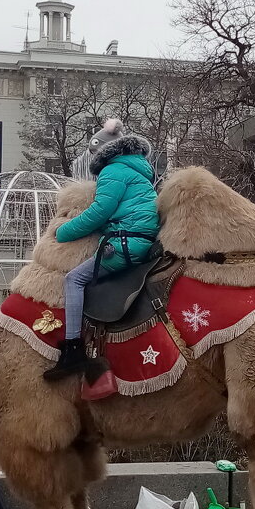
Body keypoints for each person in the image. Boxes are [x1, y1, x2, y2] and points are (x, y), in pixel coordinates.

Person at [43, 119, 159, 381]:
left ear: (104, 151)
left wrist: (62, 232)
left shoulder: (113, 171)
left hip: (124, 244)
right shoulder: (137, 171)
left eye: (94, 154)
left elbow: (99, 212)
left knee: (74, 279)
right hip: (140, 240)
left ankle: (72, 350)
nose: (93, 159)